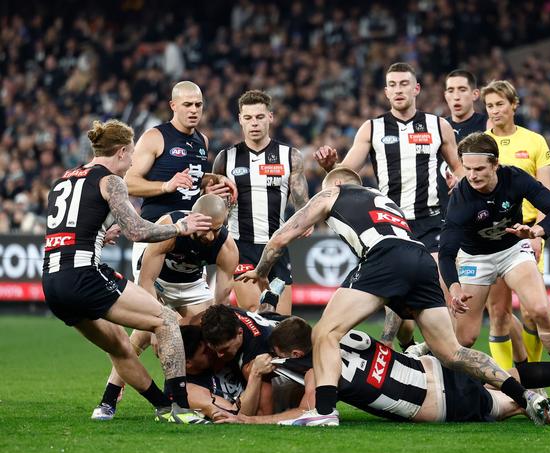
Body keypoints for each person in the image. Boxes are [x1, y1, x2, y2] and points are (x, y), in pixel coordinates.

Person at [238, 166, 550, 426]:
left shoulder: (332, 192)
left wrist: (262, 272)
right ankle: (525, 395)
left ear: (334, 184)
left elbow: (281, 238)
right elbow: (397, 278)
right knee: (453, 352)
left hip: (384, 256)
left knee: (324, 332)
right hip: (418, 257)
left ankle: (323, 412)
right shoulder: (383, 199)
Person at [42, 119, 212, 424]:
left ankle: (162, 407)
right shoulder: (110, 180)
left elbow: (66, 229)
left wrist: (100, 234)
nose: (132, 162)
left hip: (53, 283)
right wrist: (179, 227)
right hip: (84, 275)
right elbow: (136, 231)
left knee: (119, 345)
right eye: (131, 154)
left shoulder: (64, 179)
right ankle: (181, 408)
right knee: (167, 320)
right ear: (121, 151)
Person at [213, 319, 550, 425]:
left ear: (293, 351)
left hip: (440, 401)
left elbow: (311, 415)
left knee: (520, 405)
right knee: (510, 372)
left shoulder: (315, 371)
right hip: (432, 365)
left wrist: (249, 418)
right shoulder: (342, 333)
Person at [314, 62, 464, 352]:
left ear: (416, 88)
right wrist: (330, 166)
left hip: (432, 222)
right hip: (391, 225)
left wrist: (457, 181)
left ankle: (447, 363)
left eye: (404, 84)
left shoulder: (438, 126)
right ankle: (409, 347)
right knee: (402, 322)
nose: (398, 90)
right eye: (393, 85)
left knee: (441, 295)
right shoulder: (372, 128)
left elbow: (458, 167)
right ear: (386, 92)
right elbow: (345, 174)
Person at [438, 132, 550, 404]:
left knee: (540, 309)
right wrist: (454, 288)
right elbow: (447, 254)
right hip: (475, 259)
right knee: (465, 338)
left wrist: (537, 231)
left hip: (512, 250)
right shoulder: (460, 198)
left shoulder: (515, 178)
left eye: (479, 169)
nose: (472, 175)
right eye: (468, 168)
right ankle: (453, 389)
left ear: (495, 164)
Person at [481, 80, 550, 404]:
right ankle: (508, 386)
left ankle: (544, 375)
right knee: (498, 312)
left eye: (500, 104)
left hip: (529, 232)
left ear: (514, 105)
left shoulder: (534, 141)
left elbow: (547, 196)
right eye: (489, 106)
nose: (495, 111)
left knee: (532, 313)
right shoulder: (481, 145)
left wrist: (541, 234)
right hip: (491, 238)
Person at [90, 194, 238, 420]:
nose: (210, 236)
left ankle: (196, 396)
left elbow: (221, 303)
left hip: (192, 283)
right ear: (192, 217)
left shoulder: (227, 247)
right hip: (158, 281)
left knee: (206, 336)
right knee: (142, 335)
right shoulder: (169, 228)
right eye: (206, 228)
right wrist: (155, 329)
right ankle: (109, 398)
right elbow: (146, 282)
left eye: (216, 229)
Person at [125, 80, 236, 284]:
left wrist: (214, 179)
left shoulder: (202, 140)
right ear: (173, 105)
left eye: (198, 105)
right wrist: (165, 186)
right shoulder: (155, 137)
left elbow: (193, 178)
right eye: (187, 104)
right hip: (157, 233)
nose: (194, 110)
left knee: (192, 314)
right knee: (152, 310)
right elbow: (128, 182)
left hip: (190, 237)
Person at [212, 90, 310, 315]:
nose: (254, 123)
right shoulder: (225, 158)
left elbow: (302, 202)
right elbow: (215, 203)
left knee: (281, 322)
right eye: (248, 118)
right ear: (240, 120)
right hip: (241, 247)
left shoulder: (289, 156)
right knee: (257, 313)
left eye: (259, 117)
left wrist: (308, 219)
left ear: (270, 117)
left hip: (277, 246)